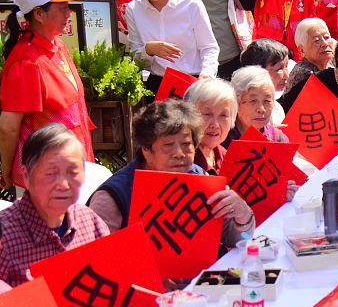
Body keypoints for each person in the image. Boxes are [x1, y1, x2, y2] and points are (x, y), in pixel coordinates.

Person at [89, 100, 254, 253]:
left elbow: (241, 239)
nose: (179, 154)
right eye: (168, 145)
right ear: (146, 150)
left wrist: (243, 217)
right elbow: (103, 260)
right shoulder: (112, 198)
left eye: (186, 144)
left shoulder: (199, 177)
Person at [0, 0, 93, 190]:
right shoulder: (26, 62)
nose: (69, 13)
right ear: (39, 14)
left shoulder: (57, 46)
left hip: (71, 168)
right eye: (62, 7)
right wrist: (6, 171)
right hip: (46, 178)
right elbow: (8, 126)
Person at [0, 124, 110, 286]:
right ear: (26, 176)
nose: (63, 184)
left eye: (73, 172)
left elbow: (113, 277)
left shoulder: (89, 220)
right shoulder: (1, 238)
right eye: (51, 173)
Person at [124, 0, 219, 93]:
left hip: (192, 82)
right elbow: (135, 59)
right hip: (156, 84)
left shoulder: (191, 5)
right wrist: (148, 50)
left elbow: (209, 48)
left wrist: (206, 75)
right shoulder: (134, 9)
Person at [183, 78, 237, 175]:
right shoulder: (180, 160)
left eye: (223, 115)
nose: (215, 124)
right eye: (207, 114)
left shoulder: (227, 156)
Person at [226, 66, 288, 145]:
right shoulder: (221, 138)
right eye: (253, 101)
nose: (261, 109)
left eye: (267, 101)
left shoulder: (278, 140)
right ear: (236, 103)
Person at [285, 17, 335, 94]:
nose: (325, 43)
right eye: (317, 40)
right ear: (302, 50)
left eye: (326, 37)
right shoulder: (304, 73)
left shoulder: (331, 64)